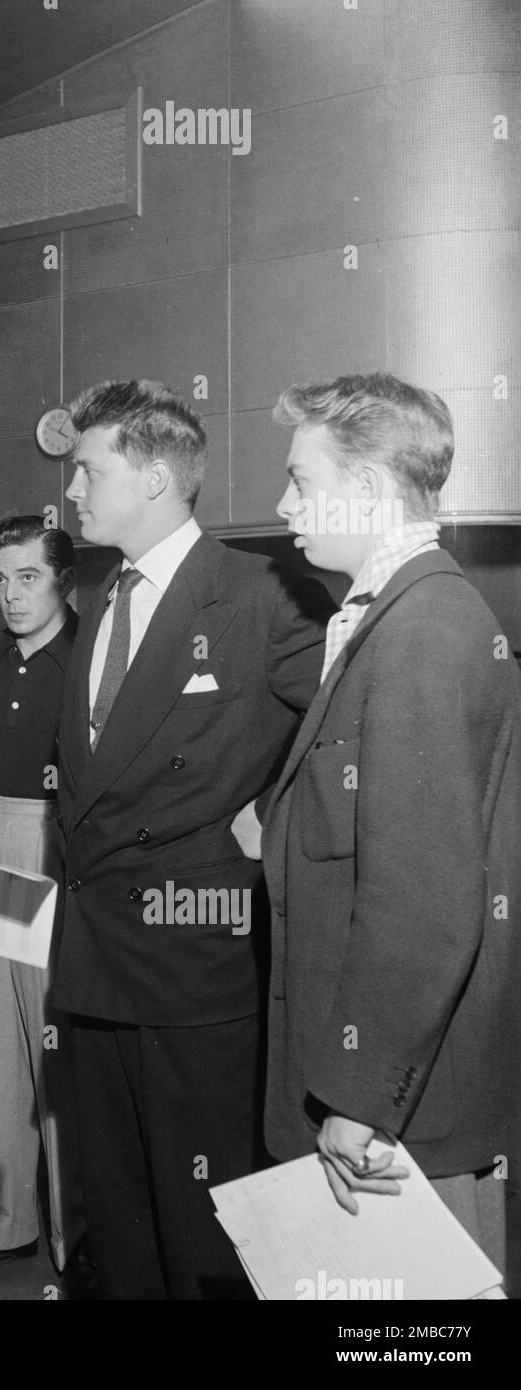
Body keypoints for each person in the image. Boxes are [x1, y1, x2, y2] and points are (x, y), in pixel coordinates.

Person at [52, 379, 336, 1299]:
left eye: (88, 470)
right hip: (95, 964)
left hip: (197, 965)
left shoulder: (261, 595)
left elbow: (356, 737)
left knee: (207, 1232)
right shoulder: (101, 598)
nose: (72, 493)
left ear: (158, 477)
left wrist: (275, 825)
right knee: (121, 1223)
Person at [260, 372, 521, 1289]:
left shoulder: (422, 631)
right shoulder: (399, 615)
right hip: (391, 1101)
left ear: (367, 487)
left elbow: (423, 901)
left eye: (300, 479)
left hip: (399, 1120)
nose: (283, 504)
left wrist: (357, 1098)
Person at [0, 515, 88, 1282]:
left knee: (57, 1041)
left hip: (59, 849)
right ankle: (2, 1226)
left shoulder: (95, 653)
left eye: (28, 576)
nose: (11, 594)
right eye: (0, 579)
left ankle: (79, 1236)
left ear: (63, 580)